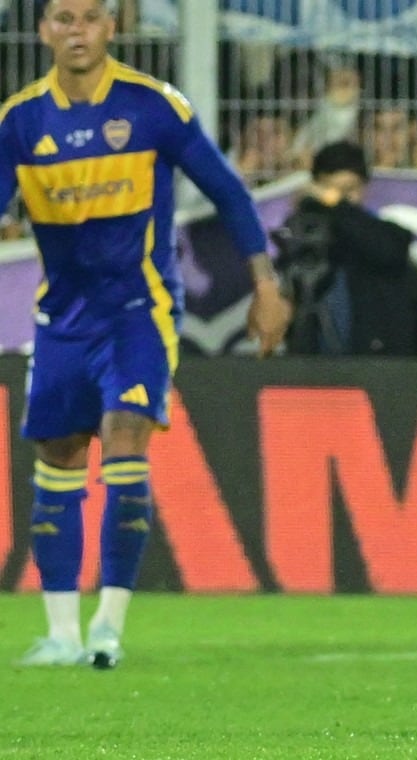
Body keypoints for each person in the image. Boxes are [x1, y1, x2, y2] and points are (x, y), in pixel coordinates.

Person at [0, 0, 291, 668]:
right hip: (62, 319)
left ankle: (108, 626)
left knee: (125, 432)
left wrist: (266, 284)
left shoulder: (154, 106)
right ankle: (61, 635)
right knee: (60, 451)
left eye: (90, 18)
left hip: (141, 309)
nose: (78, 31)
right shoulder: (19, 123)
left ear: (113, 27)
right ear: (43, 30)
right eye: (64, 19)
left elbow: (230, 194)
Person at [274, 140, 417, 356]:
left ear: (365, 187)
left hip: (369, 359)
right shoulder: (305, 230)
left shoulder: (379, 231)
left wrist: (335, 203)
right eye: (331, 188)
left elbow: (388, 251)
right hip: (313, 359)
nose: (342, 197)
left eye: (349, 189)